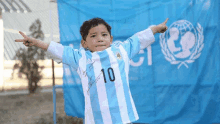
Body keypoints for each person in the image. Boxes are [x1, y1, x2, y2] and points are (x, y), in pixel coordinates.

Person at [15, 17, 168, 124]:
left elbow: (138, 39)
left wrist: (155, 28)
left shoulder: (121, 51)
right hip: (97, 119)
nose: (100, 38)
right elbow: (58, 49)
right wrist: (35, 42)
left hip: (122, 117)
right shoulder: (80, 57)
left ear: (111, 39)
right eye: (93, 36)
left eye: (104, 35)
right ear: (84, 43)